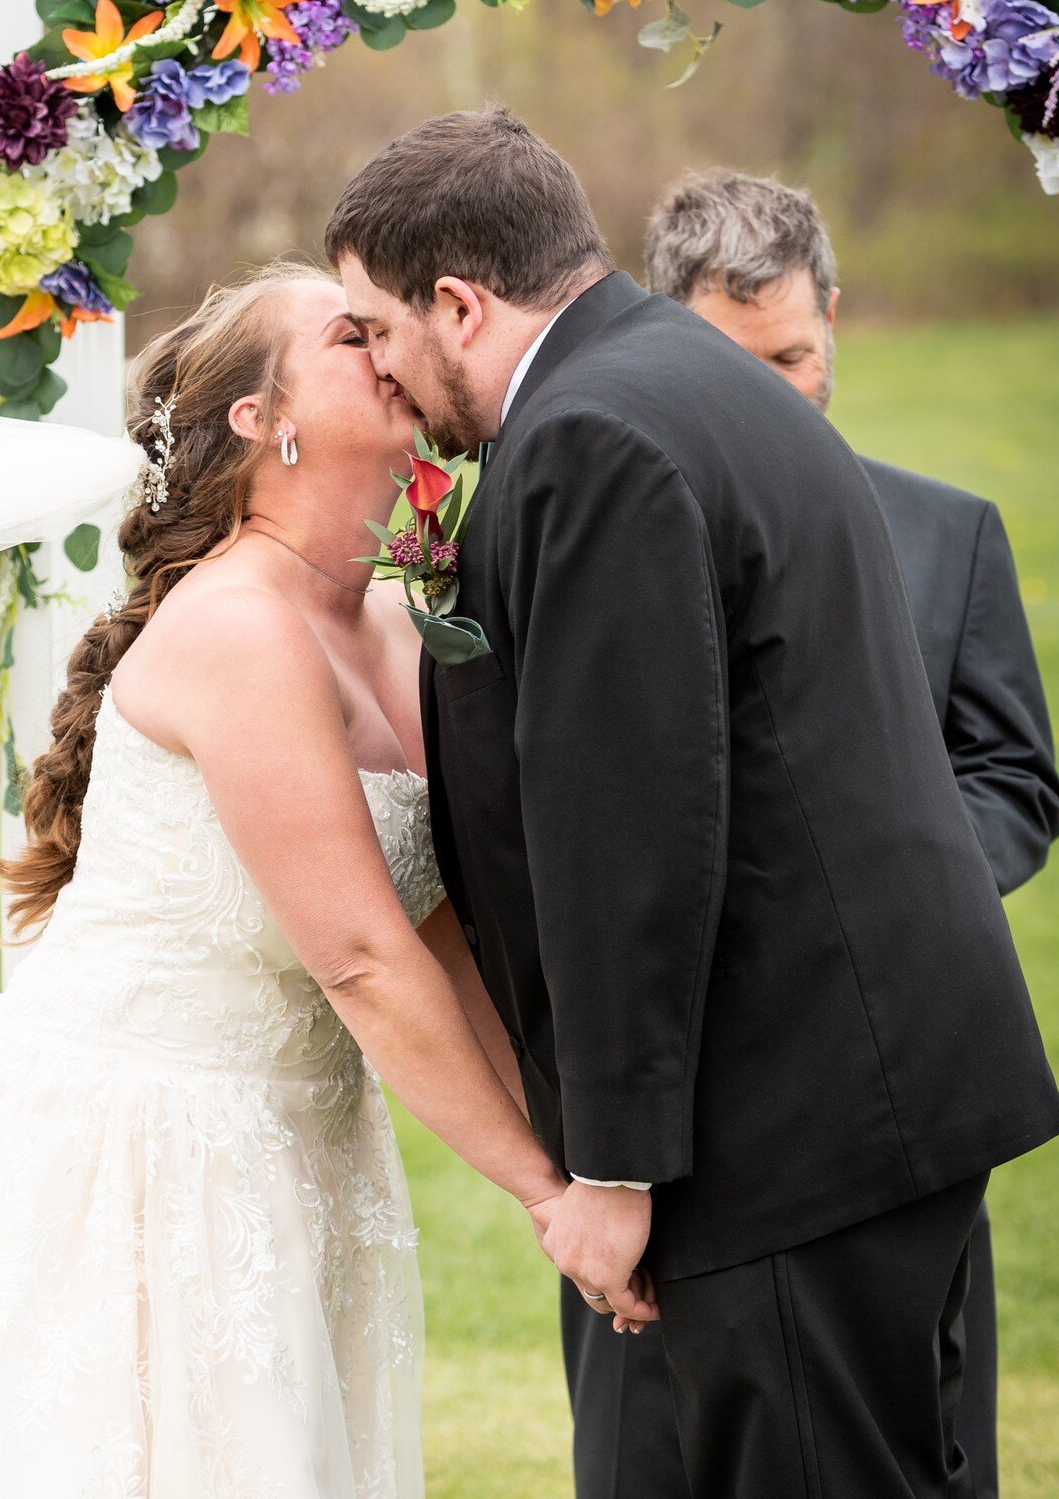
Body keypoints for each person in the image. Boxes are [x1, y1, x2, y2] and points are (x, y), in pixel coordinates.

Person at [0, 262, 576, 1498]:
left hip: (300, 1145)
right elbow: (360, 957)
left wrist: (573, 1157)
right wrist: (546, 1198)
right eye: (353, 337)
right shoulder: (240, 628)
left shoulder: (395, 622)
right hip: (140, 1157)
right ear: (264, 417)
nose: (391, 349)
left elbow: (433, 926)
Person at [328, 108, 1059, 1499]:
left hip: (790, 1116)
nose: (376, 365)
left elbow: (629, 829)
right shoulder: (676, 377)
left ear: (460, 304)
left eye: (375, 327)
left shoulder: (588, 437)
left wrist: (612, 1171)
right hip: (862, 1089)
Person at [556, 166, 1059, 1499]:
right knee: (647, 1442)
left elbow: (1015, 773)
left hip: (885, 1076)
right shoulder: (604, 522)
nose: (771, 394)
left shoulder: (949, 533)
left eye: (791, 356)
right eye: (734, 363)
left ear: (834, 317)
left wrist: (884, 884)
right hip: (669, 1090)